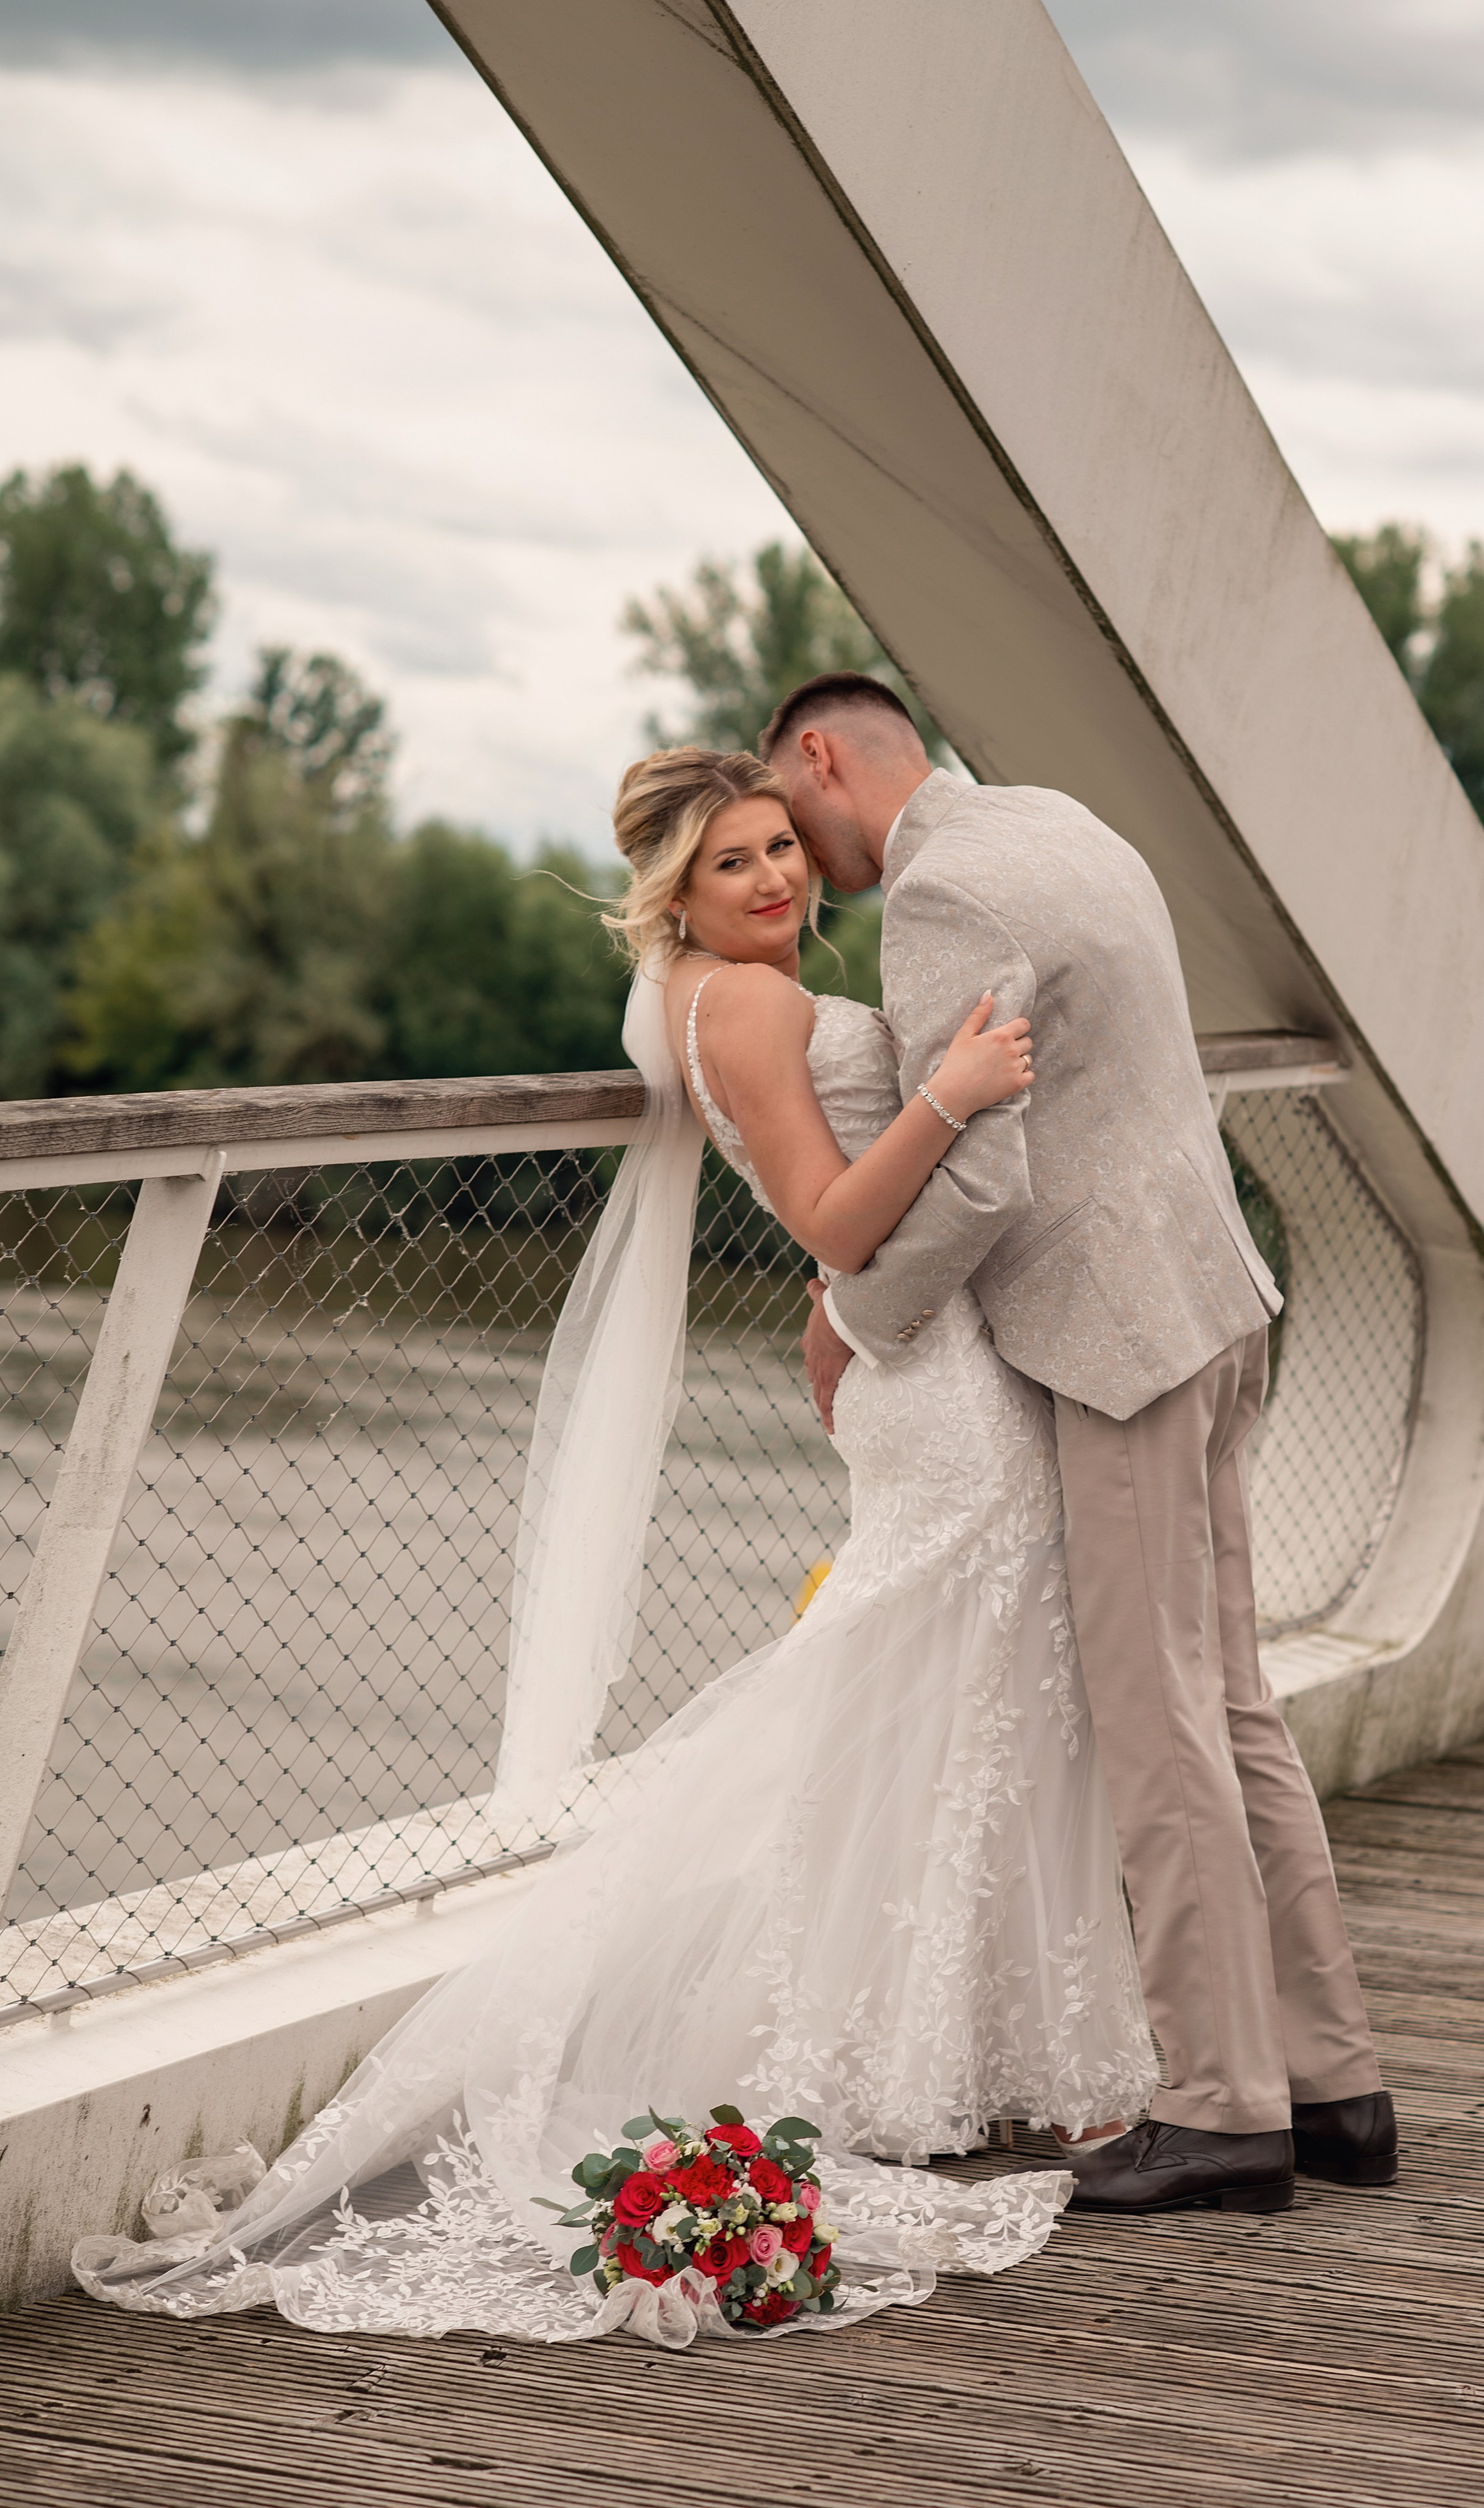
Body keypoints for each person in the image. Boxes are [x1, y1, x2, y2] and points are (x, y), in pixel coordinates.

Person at [73, 744, 1159, 2352]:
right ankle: (933, 2053)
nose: (779, 879)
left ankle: (939, 2046)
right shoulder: (753, 1003)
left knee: (950, 1702)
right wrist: (952, 1089)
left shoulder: (691, 1000)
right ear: (678, 893)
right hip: (939, 1397)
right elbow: (832, 1220)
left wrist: (847, 1261)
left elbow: (823, 1229)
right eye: (735, 863)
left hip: (914, 1374)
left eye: (786, 846)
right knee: (921, 1692)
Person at [764, 673, 1397, 2213]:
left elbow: (976, 1186)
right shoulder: (1058, 823)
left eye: (790, 811)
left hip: (1113, 1342)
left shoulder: (942, 895)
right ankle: (1333, 2086)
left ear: (824, 754)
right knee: (1232, 1699)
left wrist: (853, 1313)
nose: (797, 853)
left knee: (1154, 1712)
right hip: (1216, 1299)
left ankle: (1219, 2108)